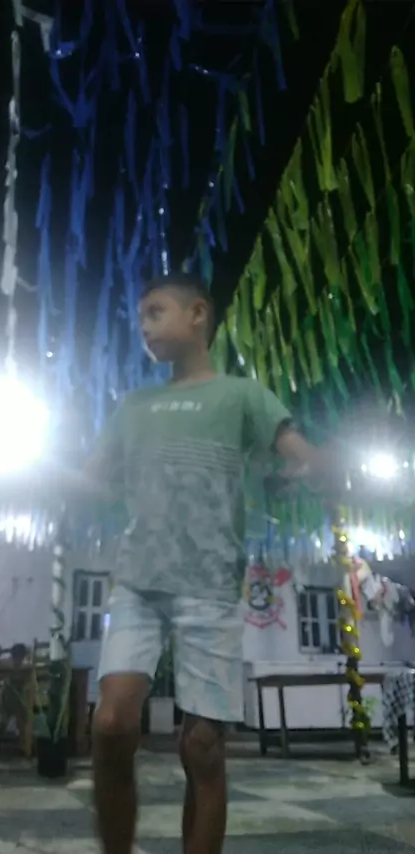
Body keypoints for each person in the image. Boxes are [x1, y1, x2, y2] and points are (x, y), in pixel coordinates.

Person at [89, 272, 328, 854]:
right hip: (138, 583)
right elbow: (92, 480)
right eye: (140, 318)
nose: (145, 327)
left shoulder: (243, 395)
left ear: (197, 315)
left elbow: (303, 456)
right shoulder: (133, 406)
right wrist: (43, 474)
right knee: (112, 725)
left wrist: (309, 468)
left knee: (201, 747)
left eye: (155, 312)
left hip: (211, 584)